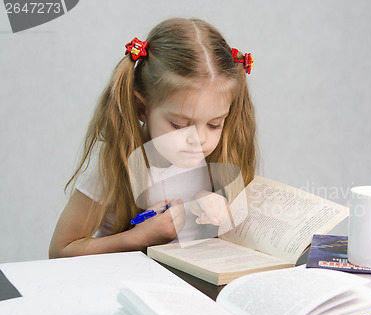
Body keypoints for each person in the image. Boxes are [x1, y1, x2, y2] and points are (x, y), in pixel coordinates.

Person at [49, 18, 257, 258]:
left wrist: (207, 205)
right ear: (142, 108)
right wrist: (138, 238)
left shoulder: (214, 161)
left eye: (214, 124)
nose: (198, 139)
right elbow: (59, 250)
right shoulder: (114, 166)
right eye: (179, 125)